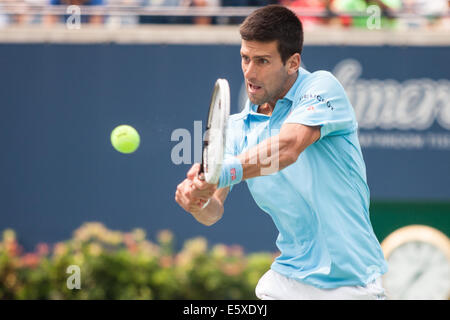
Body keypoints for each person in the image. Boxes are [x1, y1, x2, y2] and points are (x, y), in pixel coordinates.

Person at [175, 4, 388, 300]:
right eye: (245, 58)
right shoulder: (236, 129)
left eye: (262, 61)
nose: (250, 71)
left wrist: (221, 171)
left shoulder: (322, 87)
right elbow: (213, 211)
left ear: (292, 63)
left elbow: (287, 148)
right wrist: (197, 200)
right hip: (287, 279)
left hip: (350, 283)